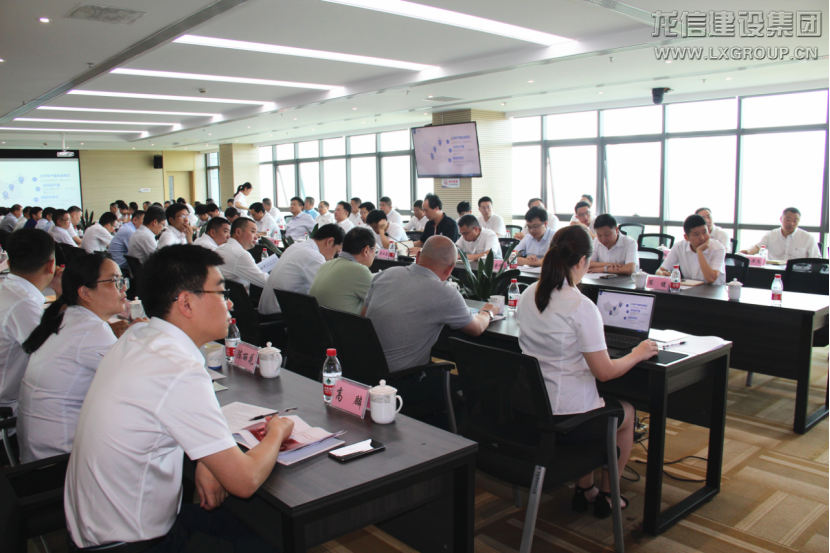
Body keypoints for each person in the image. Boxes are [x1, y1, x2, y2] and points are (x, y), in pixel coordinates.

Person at [64, 245, 295, 551]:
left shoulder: (138, 336)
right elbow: (245, 480)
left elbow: (177, 412)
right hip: (130, 543)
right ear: (186, 303)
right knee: (277, 539)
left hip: (98, 526)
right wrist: (277, 431)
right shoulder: (177, 369)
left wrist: (208, 458)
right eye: (221, 292)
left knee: (263, 527)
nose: (229, 303)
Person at [516, 225, 657, 519]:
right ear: (582, 261)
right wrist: (638, 352)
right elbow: (605, 372)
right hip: (568, 420)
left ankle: (585, 488)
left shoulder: (529, 293)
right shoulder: (581, 305)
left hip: (533, 410)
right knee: (627, 412)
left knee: (595, 397)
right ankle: (609, 494)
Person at [17, 254, 143, 463]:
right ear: (85, 292)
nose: (124, 288)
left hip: (39, 454)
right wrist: (146, 338)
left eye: (123, 280)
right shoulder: (92, 330)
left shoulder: (69, 317)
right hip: (57, 463)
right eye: (115, 281)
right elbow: (140, 386)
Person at [363, 235, 494, 372]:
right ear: (450, 268)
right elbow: (477, 328)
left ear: (418, 256)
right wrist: (487, 312)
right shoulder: (445, 293)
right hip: (401, 376)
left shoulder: (385, 274)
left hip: (362, 367)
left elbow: (364, 316)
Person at [0, 230, 63, 418]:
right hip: (11, 410)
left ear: (8, 263)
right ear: (51, 265)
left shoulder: (8, 290)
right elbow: (57, 356)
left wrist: (59, 296)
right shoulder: (23, 305)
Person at [259, 224, 344, 315]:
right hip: (280, 315)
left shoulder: (295, 246)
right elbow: (328, 292)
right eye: (336, 252)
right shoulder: (314, 256)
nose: (332, 258)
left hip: (269, 310)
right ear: (330, 241)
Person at [309, 227, 375, 314]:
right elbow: (381, 301)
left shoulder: (326, 264)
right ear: (366, 250)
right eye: (375, 249)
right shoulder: (360, 271)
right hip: (340, 322)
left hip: (319, 320)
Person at [658, 214, 726, 285]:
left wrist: (699, 251)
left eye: (704, 232)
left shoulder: (718, 248)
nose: (702, 238)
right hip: (689, 289)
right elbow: (660, 270)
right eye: (697, 234)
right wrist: (662, 274)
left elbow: (711, 279)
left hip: (713, 291)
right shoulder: (679, 247)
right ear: (686, 237)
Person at [740, 207, 820, 260]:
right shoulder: (771, 235)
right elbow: (757, 248)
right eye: (788, 220)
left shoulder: (808, 238)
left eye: (795, 221)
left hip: (798, 274)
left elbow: (816, 259)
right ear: (781, 219)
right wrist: (746, 251)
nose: (791, 223)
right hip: (773, 272)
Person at [215, 217, 268, 292]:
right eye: (253, 232)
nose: (256, 237)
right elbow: (267, 282)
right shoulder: (241, 255)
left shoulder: (220, 248)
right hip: (237, 298)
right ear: (238, 232)